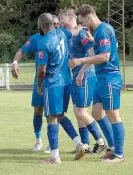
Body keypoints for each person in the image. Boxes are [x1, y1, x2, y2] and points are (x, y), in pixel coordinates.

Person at [11, 15, 82, 153]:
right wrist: (15, 62)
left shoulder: (50, 39)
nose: (56, 25)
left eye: (57, 23)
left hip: (49, 81)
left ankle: (55, 149)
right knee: (40, 111)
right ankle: (39, 141)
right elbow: (21, 51)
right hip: (58, 81)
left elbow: (42, 70)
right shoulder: (38, 38)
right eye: (54, 23)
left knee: (54, 115)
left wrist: (39, 85)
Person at [70, 4, 125, 163]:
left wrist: (81, 60)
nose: (83, 25)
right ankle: (112, 147)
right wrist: (81, 71)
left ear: (89, 16)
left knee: (113, 116)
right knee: (96, 113)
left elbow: (105, 57)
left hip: (109, 78)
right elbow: (98, 52)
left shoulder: (103, 30)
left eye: (83, 21)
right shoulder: (98, 33)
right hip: (101, 79)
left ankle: (119, 154)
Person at [36, 13, 86, 164]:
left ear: (41, 26)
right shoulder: (62, 32)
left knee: (51, 118)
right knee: (60, 115)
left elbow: (42, 70)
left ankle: (55, 157)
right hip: (66, 81)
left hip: (52, 84)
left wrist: (39, 85)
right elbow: (76, 31)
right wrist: (80, 24)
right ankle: (79, 143)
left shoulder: (43, 42)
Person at [59, 9, 107, 159]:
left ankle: (100, 141)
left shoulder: (81, 33)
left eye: (62, 19)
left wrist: (81, 71)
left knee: (81, 112)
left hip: (85, 76)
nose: (60, 22)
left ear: (71, 18)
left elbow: (92, 55)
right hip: (76, 76)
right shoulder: (70, 34)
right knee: (78, 112)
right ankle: (84, 145)